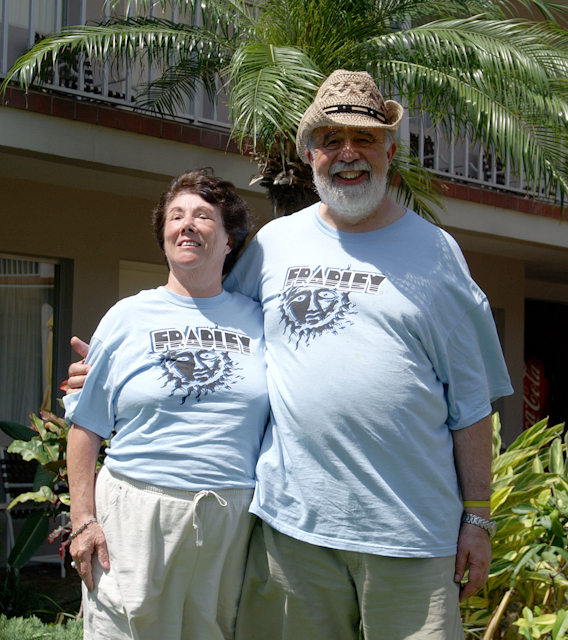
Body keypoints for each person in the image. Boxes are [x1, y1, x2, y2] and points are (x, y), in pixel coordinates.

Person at [69, 71, 514, 640]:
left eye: (365, 139)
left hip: (411, 535)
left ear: (391, 152)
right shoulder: (276, 244)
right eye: (330, 139)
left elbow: (471, 404)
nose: (347, 153)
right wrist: (112, 366)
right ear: (309, 155)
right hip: (293, 538)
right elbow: (210, 314)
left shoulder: (437, 256)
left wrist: (477, 517)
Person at [63, 169, 270, 640]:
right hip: (136, 511)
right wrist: (82, 521)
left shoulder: (258, 320)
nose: (187, 225)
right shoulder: (128, 316)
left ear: (231, 239)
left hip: (230, 516)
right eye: (176, 216)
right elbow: (85, 426)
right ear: (163, 236)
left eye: (202, 215)